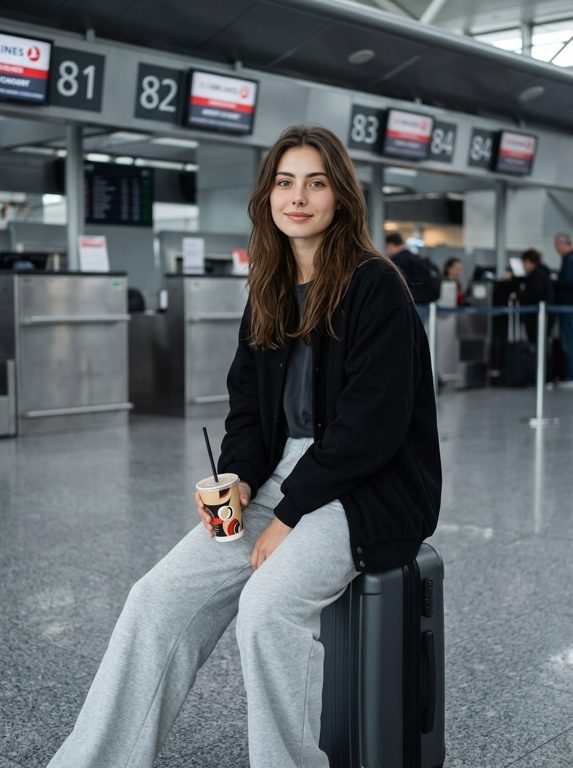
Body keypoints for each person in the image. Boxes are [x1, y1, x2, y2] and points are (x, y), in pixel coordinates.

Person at [45, 125, 441, 768]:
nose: (299, 197)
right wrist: (239, 479)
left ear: (341, 195)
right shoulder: (269, 290)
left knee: (267, 608)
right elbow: (249, 415)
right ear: (268, 196)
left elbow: (373, 427)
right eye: (286, 182)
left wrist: (286, 516)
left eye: (316, 182)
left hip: (368, 485)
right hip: (285, 476)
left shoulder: (377, 286)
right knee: (156, 598)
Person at [384, 231, 436, 324]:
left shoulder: (399, 260)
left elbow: (395, 286)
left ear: (390, 245)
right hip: (423, 305)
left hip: (411, 306)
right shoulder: (414, 257)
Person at [514, 248, 553, 343]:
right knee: (542, 342)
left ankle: (539, 358)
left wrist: (519, 296)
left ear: (528, 262)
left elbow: (534, 293)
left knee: (536, 341)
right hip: (544, 314)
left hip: (537, 315)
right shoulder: (544, 271)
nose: (524, 266)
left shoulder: (536, 275)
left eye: (524, 263)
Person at [554, 232, 573, 382]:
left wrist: (554, 282)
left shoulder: (570, 260)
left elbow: (568, 282)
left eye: (556, 245)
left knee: (568, 340)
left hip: (567, 306)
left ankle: (570, 375)